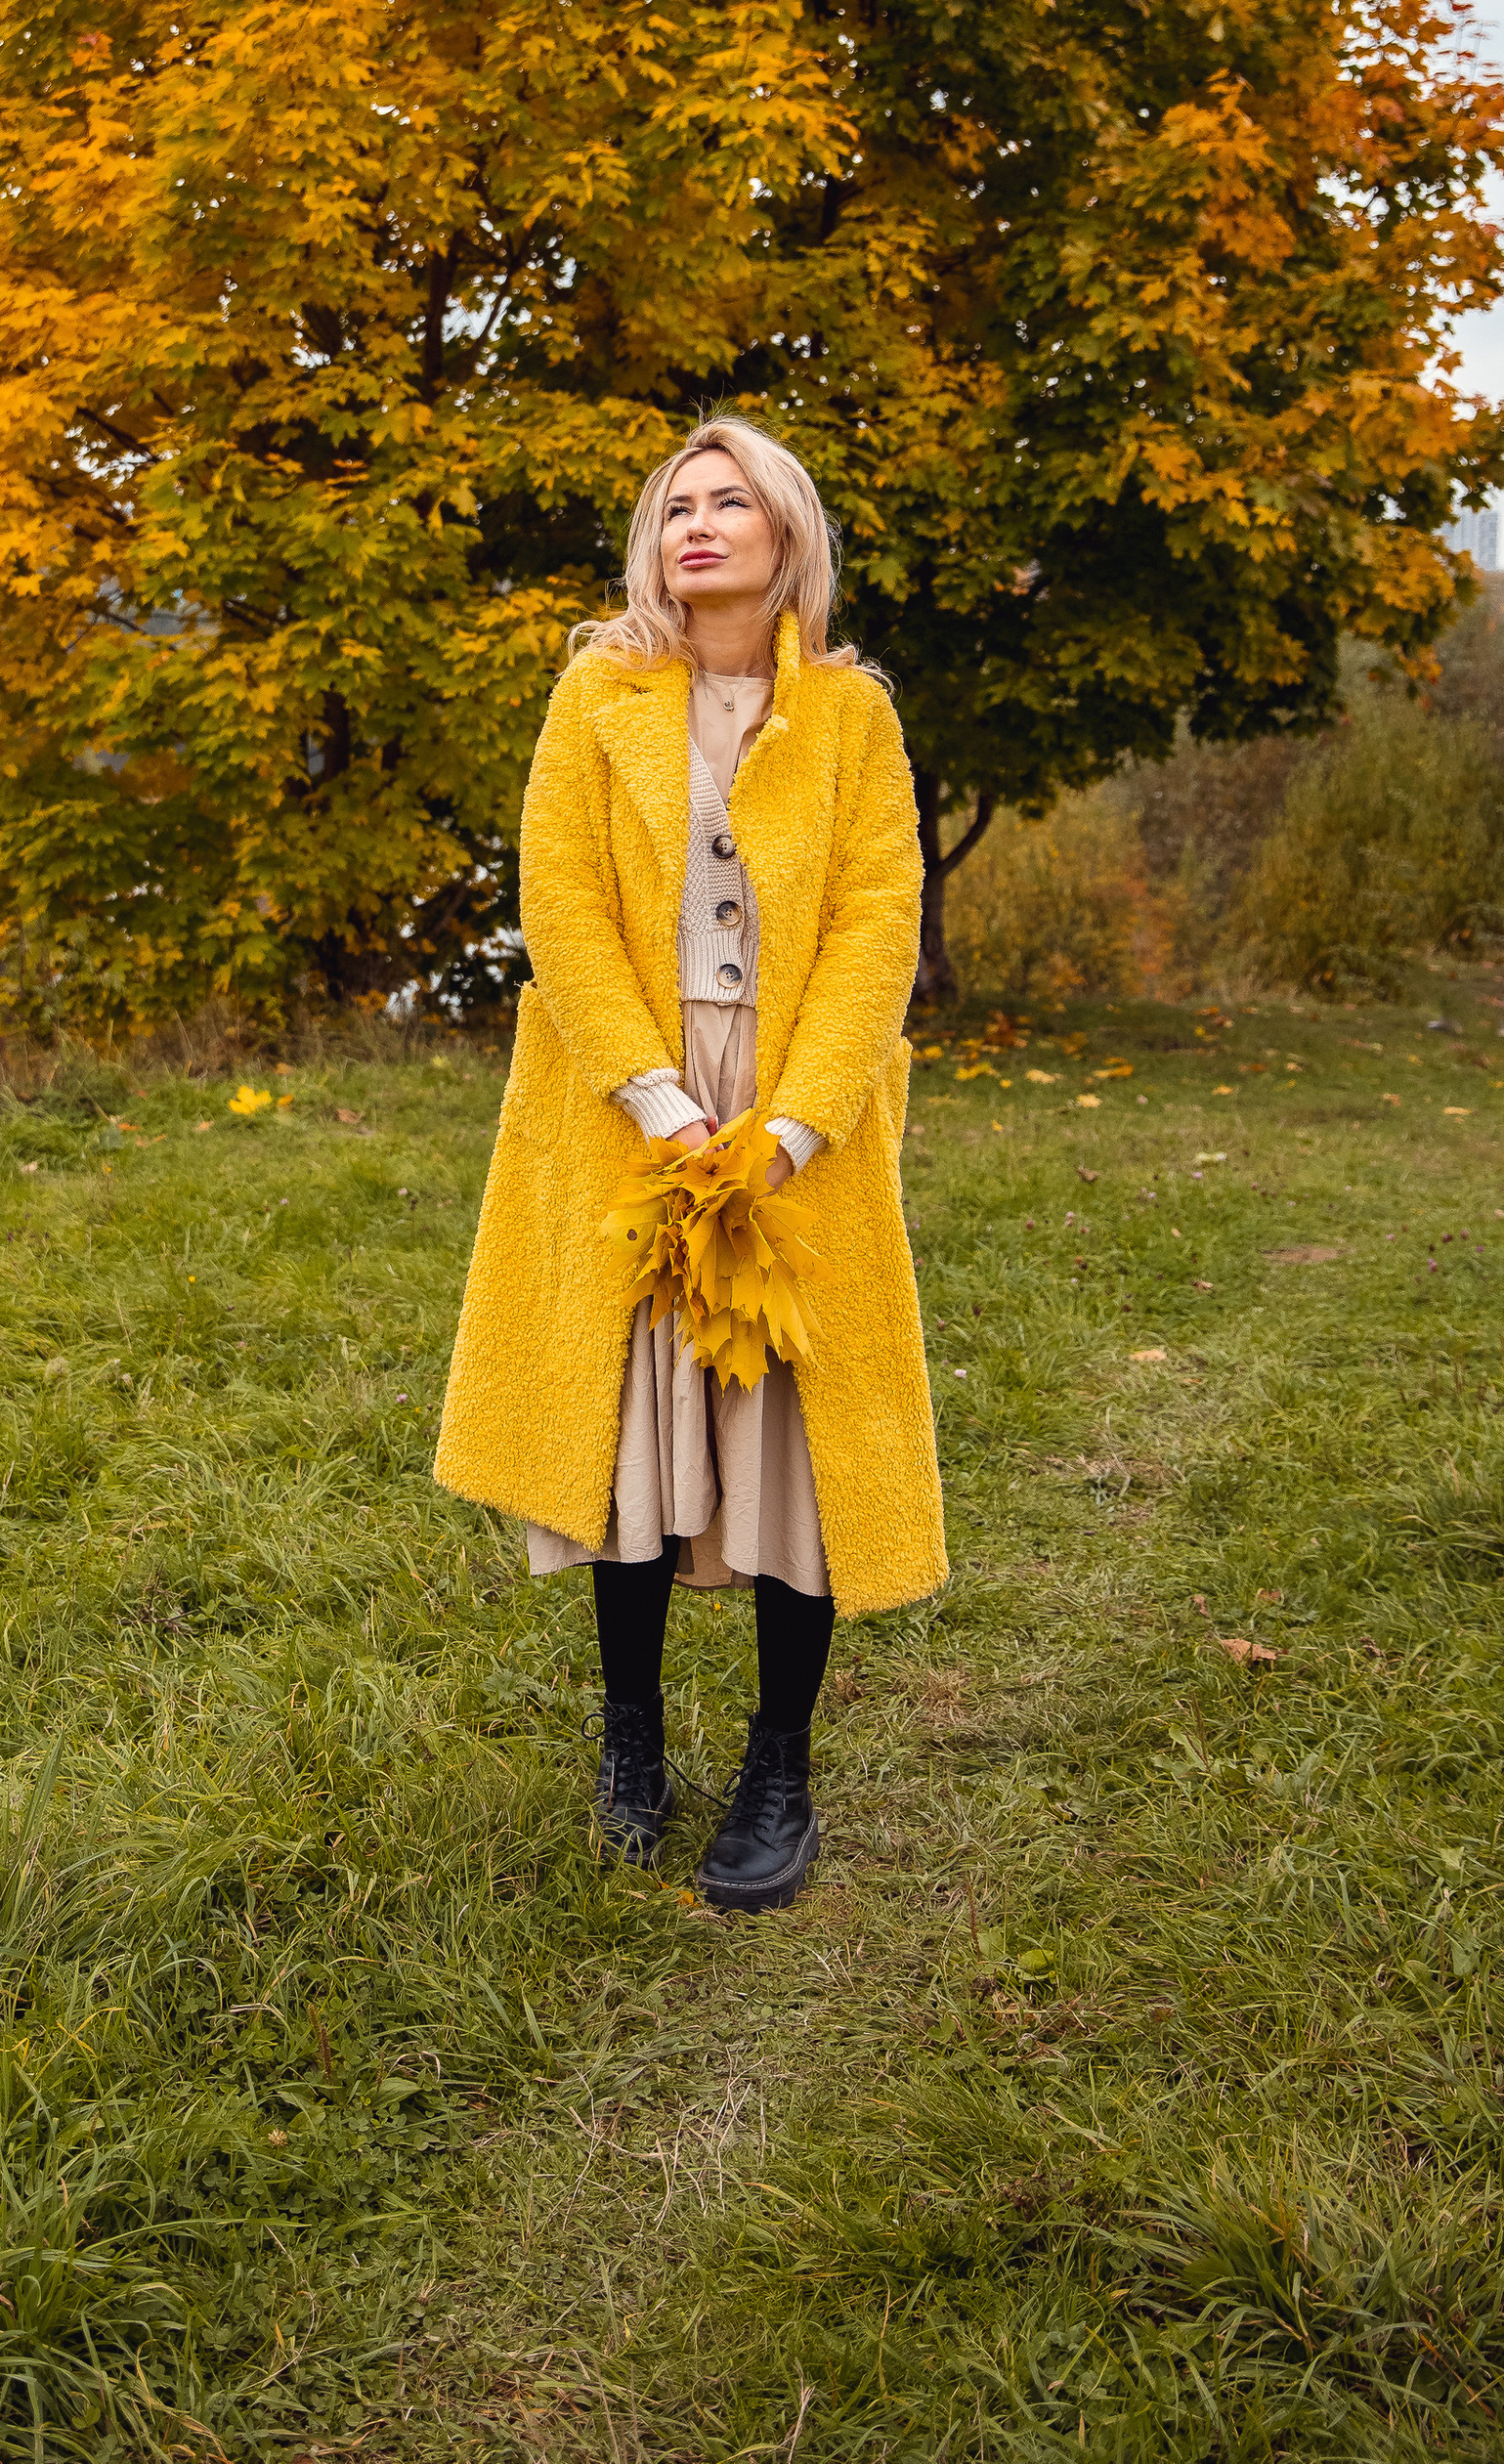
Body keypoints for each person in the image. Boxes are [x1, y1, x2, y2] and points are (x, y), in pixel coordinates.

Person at [434, 417, 944, 1910]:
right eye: (677, 508)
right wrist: (659, 1102)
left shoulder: (854, 718)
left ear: (787, 535)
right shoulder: (597, 697)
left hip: (797, 1120)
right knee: (631, 1429)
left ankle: (780, 1764)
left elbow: (876, 924)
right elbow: (564, 902)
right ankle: (632, 1750)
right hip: (634, 1106)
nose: (698, 526)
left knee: (801, 1435)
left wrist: (793, 1126)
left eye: (731, 504)